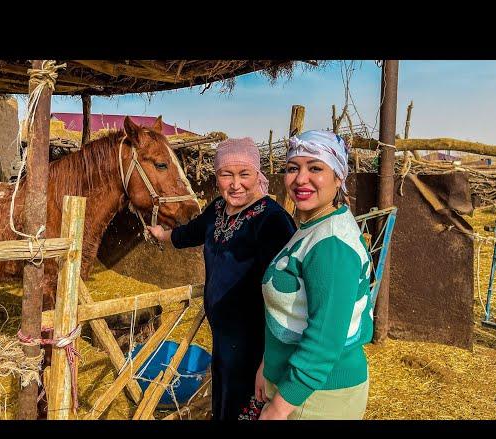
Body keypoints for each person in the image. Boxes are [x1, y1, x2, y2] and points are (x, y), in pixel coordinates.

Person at [147, 137, 296, 420]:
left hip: (256, 345)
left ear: (257, 174)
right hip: (224, 339)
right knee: (224, 405)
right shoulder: (218, 210)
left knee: (247, 409)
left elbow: (285, 297)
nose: (235, 184)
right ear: (216, 177)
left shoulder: (272, 221)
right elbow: (191, 232)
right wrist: (163, 235)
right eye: (226, 174)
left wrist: (268, 361)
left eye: (244, 174)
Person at [257, 130, 372, 420]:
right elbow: (295, 313)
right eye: (293, 168)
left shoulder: (331, 245)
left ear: (338, 177)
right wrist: (268, 364)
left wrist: (280, 406)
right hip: (299, 386)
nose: (300, 178)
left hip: (318, 397)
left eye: (315, 168)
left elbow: (324, 342)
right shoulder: (314, 226)